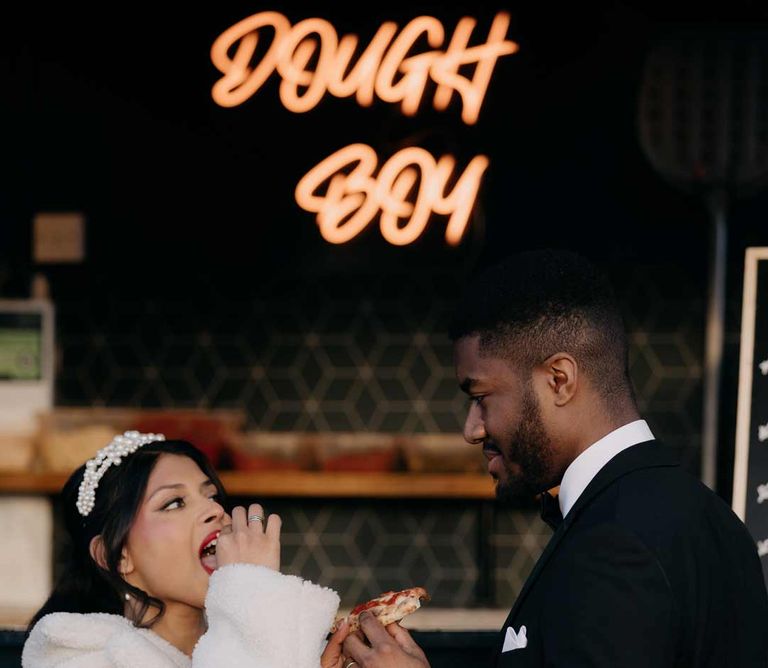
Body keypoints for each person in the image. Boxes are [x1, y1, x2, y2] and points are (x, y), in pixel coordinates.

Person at [341, 249, 768, 668]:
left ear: (559, 380)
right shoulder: (713, 519)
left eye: (481, 397)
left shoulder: (615, 545)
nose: (471, 430)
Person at [23, 431, 349, 668]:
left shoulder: (282, 642)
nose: (214, 510)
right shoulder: (82, 656)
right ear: (117, 554)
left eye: (211, 496)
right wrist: (253, 588)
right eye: (174, 502)